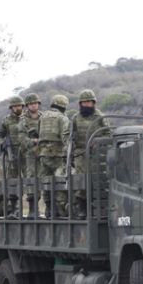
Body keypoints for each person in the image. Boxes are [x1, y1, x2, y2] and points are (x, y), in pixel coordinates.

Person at [63, 89, 110, 218]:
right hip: (80, 154)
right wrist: (70, 145)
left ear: (93, 103)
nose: (87, 105)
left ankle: (98, 207)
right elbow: (67, 134)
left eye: (89, 102)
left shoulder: (100, 117)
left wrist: (98, 141)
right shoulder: (75, 118)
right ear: (80, 104)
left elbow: (108, 133)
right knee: (82, 180)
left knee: (97, 181)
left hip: (97, 154)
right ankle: (82, 208)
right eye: (84, 102)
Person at [32, 94, 70, 218]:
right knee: (59, 183)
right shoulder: (62, 118)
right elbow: (66, 137)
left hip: (43, 155)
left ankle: (49, 209)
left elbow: (39, 135)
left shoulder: (42, 117)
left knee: (46, 183)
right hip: (58, 155)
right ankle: (59, 210)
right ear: (63, 106)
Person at [0, 95, 25, 216]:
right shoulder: (6, 120)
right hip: (12, 156)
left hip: (27, 155)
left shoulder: (27, 118)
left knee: (31, 181)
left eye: (19, 105)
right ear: (11, 108)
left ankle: (33, 208)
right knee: (12, 182)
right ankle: (14, 208)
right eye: (15, 106)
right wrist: (2, 144)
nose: (17, 108)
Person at [18, 93, 42, 219]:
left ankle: (50, 208)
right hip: (30, 153)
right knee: (31, 179)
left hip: (44, 152)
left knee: (47, 178)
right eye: (31, 103)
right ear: (27, 105)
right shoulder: (23, 120)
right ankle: (33, 208)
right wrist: (33, 141)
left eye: (36, 103)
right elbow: (21, 138)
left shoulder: (43, 117)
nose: (34, 105)